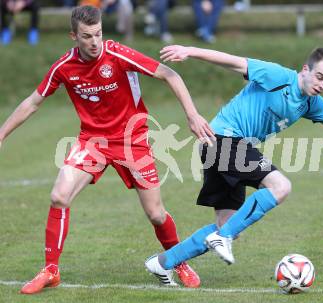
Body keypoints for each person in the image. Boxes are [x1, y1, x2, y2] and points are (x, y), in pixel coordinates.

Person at [144, 45, 323, 284]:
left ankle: (163, 263)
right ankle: (219, 239)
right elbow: (233, 62)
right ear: (305, 69)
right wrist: (190, 50)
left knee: (229, 226)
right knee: (280, 186)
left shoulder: (311, 102)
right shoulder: (278, 76)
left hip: (219, 145)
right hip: (223, 139)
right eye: (319, 77)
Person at [0, 6, 216, 294]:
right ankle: (51, 269)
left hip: (132, 140)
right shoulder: (63, 67)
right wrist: (2, 133)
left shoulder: (117, 54)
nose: (94, 42)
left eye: (99, 34)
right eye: (87, 36)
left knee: (155, 213)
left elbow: (170, 75)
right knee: (59, 196)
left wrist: (192, 114)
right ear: (73, 36)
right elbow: (33, 101)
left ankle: (178, 260)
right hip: (93, 142)